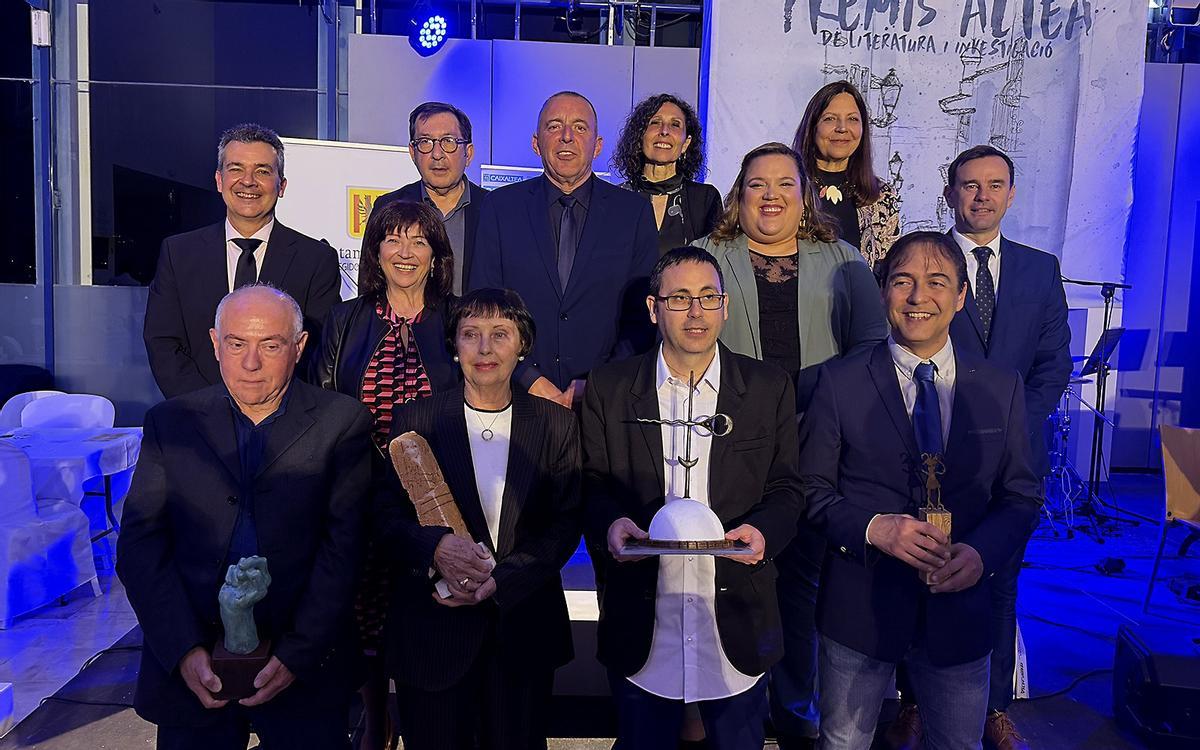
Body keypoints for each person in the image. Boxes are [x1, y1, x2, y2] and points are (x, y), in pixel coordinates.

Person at [801, 231, 1042, 750]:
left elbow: (1021, 495)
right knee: (842, 742)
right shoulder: (838, 382)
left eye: (936, 282)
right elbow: (811, 491)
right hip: (860, 606)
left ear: (961, 296)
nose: (918, 297)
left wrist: (981, 555)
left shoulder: (1001, 386)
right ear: (882, 290)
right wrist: (874, 528)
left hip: (960, 606)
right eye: (902, 281)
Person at [117, 285, 373, 749]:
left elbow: (345, 551)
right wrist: (182, 649)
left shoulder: (342, 423)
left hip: (306, 664)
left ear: (299, 347)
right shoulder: (170, 423)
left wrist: (297, 654)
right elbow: (140, 547)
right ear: (215, 344)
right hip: (192, 662)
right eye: (237, 344)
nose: (250, 362)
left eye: (270, 345)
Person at [699, 141, 887, 749]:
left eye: (786, 183)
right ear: (739, 194)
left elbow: (871, 347)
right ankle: (728, 708)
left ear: (806, 195)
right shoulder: (707, 256)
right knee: (730, 576)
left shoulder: (843, 259)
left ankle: (794, 708)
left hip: (817, 444)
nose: (772, 195)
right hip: (728, 445)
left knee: (802, 584)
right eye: (758, 184)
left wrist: (827, 403)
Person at [581, 246, 804, 749]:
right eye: (680, 298)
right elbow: (591, 483)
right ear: (653, 308)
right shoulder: (609, 387)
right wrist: (611, 524)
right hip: (642, 615)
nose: (696, 312)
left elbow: (788, 487)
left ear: (726, 307)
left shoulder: (768, 387)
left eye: (708, 297)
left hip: (737, 612)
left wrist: (763, 532)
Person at [886, 145, 1071, 750]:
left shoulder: (1040, 269)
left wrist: (1006, 430)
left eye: (995, 185)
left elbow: (1053, 365)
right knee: (921, 579)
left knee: (998, 580)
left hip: (1010, 463)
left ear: (1011, 194)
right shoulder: (924, 263)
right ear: (950, 194)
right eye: (970, 185)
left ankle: (993, 708)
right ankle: (914, 703)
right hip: (927, 455)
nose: (982, 195)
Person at [376, 288, 581, 750]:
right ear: (454, 345)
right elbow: (385, 517)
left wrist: (503, 581)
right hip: (433, 635)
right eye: (471, 334)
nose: (485, 348)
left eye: (500, 334)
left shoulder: (556, 424)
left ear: (522, 345)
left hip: (522, 633)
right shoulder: (416, 419)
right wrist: (435, 549)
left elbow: (565, 524)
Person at [310, 199, 458, 750]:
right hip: (362, 494)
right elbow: (324, 404)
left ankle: (425, 722)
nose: (405, 252)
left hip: (433, 498)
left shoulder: (457, 318)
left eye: (419, 240)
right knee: (364, 619)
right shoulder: (346, 320)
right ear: (374, 250)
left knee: (424, 615)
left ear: (436, 254)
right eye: (392, 239)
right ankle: (376, 722)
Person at [469, 90, 659, 406]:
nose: (567, 136)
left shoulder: (633, 213)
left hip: (605, 401)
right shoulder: (500, 207)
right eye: (554, 126)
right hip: (517, 397)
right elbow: (484, 305)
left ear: (597, 146)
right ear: (536, 143)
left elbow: (642, 317)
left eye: (580, 127)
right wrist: (530, 378)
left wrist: (598, 384)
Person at [144, 123, 341, 400]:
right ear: (219, 180)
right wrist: (207, 408)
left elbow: (318, 350)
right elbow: (163, 342)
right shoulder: (178, 254)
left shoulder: (316, 260)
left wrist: (273, 409)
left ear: (281, 185)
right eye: (236, 169)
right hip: (198, 413)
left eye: (262, 171)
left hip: (285, 417)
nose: (248, 181)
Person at [368, 102, 488, 294]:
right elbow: (370, 283)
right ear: (412, 153)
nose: (437, 154)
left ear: (469, 153)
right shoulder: (388, 207)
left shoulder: (493, 209)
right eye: (425, 142)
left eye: (448, 141)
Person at [792, 80, 901, 270]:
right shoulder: (788, 189)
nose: (842, 128)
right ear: (812, 126)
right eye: (830, 119)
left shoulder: (881, 196)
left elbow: (889, 268)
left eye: (852, 119)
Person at [613, 93, 723, 254]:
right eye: (655, 122)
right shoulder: (614, 199)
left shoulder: (705, 199)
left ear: (686, 144)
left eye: (675, 125)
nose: (664, 131)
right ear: (640, 137)